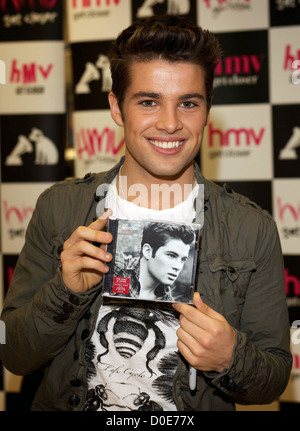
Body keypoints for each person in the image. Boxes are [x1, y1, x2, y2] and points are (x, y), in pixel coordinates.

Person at [0, 15, 292, 411]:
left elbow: (273, 378)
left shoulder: (251, 230)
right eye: (149, 101)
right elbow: (14, 354)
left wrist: (229, 356)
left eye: (188, 103)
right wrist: (65, 293)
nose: (170, 123)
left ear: (207, 110)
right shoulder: (60, 207)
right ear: (117, 108)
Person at [112, 221, 197, 301]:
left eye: (183, 259)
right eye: (171, 255)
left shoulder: (167, 302)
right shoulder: (115, 266)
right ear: (147, 251)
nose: (178, 267)